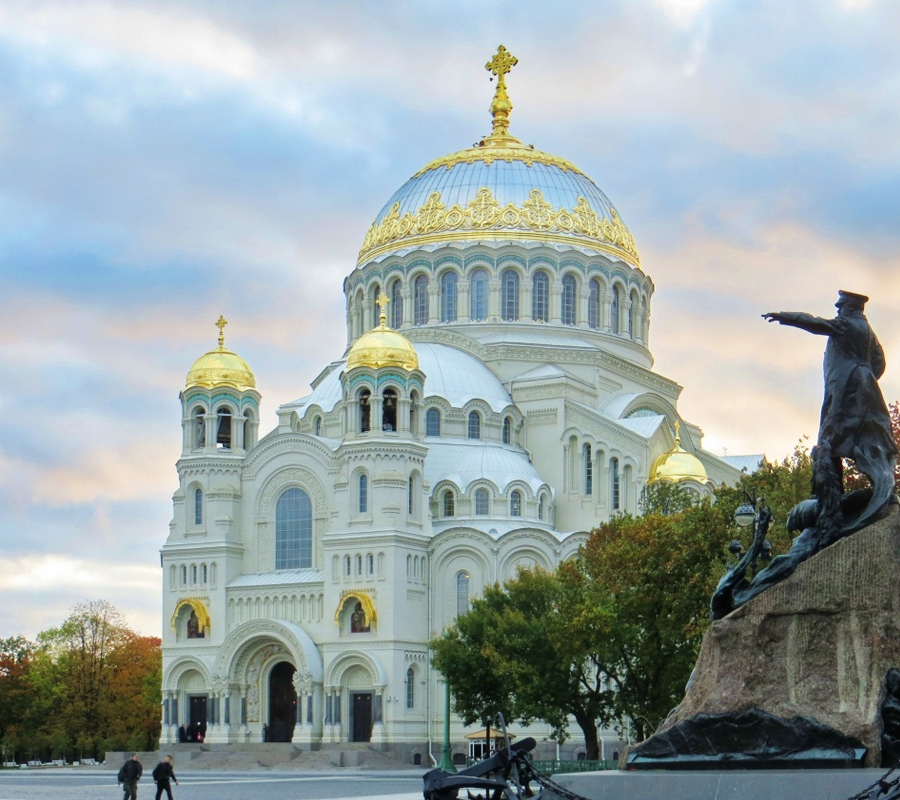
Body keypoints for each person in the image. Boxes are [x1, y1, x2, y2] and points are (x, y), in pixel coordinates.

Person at [763, 290, 897, 540]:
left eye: (841, 306)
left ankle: (829, 506)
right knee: (869, 439)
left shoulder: (847, 324)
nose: (838, 310)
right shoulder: (869, 333)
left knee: (829, 442)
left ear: (851, 308)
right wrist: (865, 375)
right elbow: (880, 361)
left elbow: (815, 323)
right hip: (865, 388)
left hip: (845, 391)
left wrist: (784, 316)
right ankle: (880, 491)